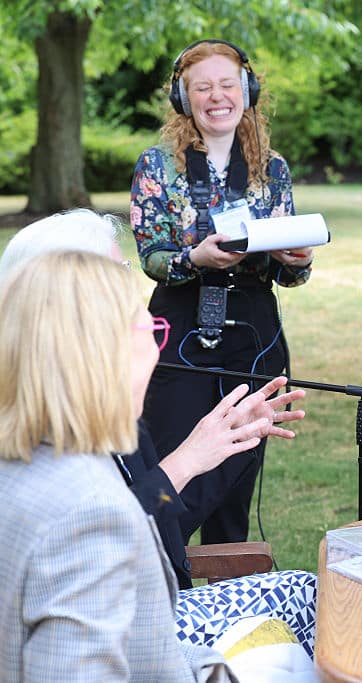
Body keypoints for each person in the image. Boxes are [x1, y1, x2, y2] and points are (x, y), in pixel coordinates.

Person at [0, 209, 318, 657]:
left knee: (309, 593)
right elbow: (104, 541)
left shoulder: (87, 416)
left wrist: (219, 447)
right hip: (142, 633)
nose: (148, 329)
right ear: (69, 307)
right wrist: (184, 461)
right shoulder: (64, 457)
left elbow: (164, 523)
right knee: (309, 598)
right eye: (116, 276)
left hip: (150, 614)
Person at [0, 250, 235, 682]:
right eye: (151, 330)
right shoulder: (89, 513)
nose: (157, 350)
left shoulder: (32, 459)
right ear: (102, 352)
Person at [131, 39, 314, 546]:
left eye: (227, 84)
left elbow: (290, 273)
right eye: (203, 87)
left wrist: (298, 260)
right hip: (179, 330)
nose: (217, 97)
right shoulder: (156, 166)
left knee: (235, 482)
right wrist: (195, 258)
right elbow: (151, 256)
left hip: (253, 334)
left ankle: (225, 587)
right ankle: (155, 566)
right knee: (170, 466)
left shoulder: (273, 169)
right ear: (183, 98)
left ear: (247, 91)